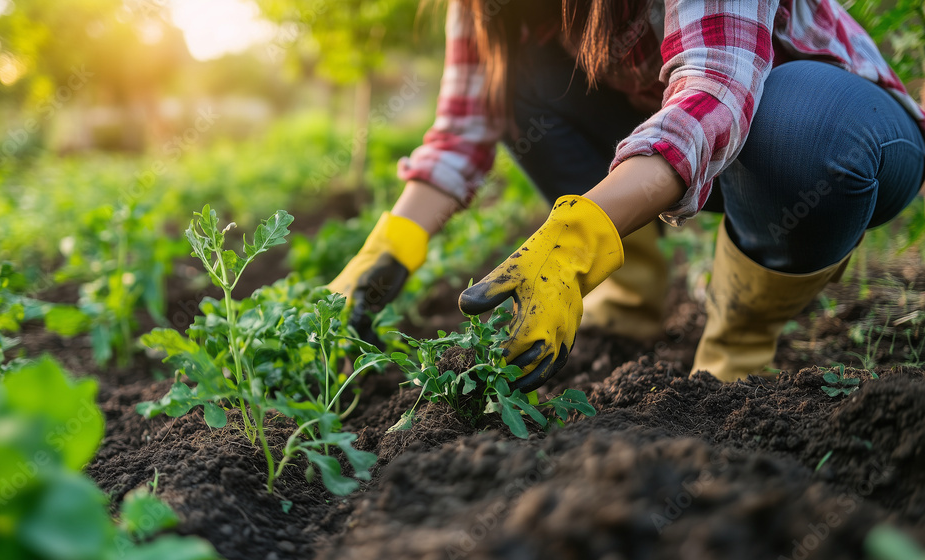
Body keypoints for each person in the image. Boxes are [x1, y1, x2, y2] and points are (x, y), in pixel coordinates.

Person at [329, 0, 925, 392]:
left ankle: (738, 348)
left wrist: (573, 243)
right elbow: (464, 126)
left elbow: (716, 86)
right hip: (682, 157)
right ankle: (626, 300)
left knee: (804, 128)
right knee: (515, 77)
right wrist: (389, 249)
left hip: (830, 134)